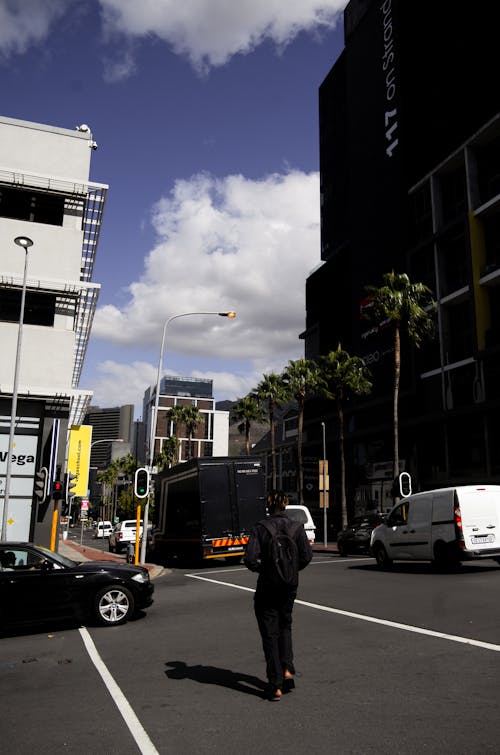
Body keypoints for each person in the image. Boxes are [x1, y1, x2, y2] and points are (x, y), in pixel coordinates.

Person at [244, 490, 312, 701]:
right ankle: (287, 671)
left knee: (270, 634)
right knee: (285, 626)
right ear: (285, 505)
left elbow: (250, 559)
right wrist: (290, 570)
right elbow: (306, 556)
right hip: (289, 586)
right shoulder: (296, 527)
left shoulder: (261, 528)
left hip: (268, 587)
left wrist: (266, 570)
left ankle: (275, 686)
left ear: (269, 505)